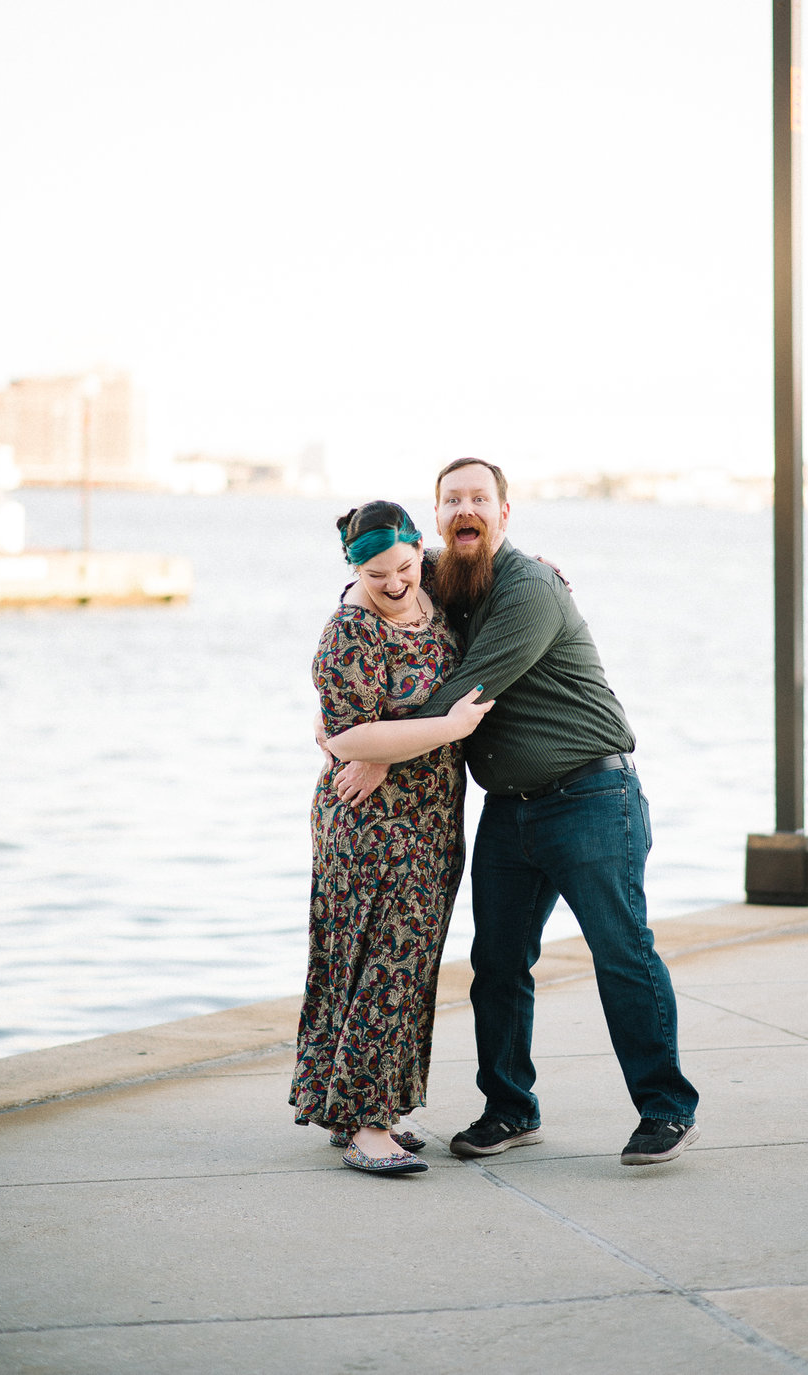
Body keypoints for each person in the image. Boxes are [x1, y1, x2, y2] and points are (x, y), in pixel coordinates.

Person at [335, 460, 700, 1167]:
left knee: (622, 952)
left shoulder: (529, 588)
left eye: (479, 498)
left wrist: (377, 748)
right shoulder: (442, 570)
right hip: (510, 806)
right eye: (452, 500)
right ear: (434, 519)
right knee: (497, 963)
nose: (465, 509)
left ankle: (666, 1108)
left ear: (506, 512)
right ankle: (510, 1108)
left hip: (592, 797)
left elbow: (466, 692)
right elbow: (377, 574)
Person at [288, 500, 491, 1177]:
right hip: (370, 827)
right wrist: (446, 730)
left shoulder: (430, 584)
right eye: (378, 576)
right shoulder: (350, 630)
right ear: (354, 571)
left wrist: (547, 573)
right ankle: (368, 1124)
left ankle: (356, 1105)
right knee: (380, 966)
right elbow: (346, 735)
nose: (397, 583)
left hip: (432, 819)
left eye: (404, 567)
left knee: (410, 966)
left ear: (417, 550)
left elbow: (484, 570)